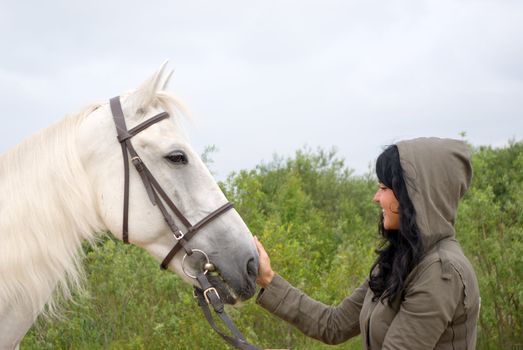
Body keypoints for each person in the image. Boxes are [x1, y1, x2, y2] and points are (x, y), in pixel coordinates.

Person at [254, 137, 480, 350]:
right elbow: (334, 324)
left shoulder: (441, 272)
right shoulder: (399, 261)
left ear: (414, 196)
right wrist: (268, 279)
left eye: (384, 189)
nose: (376, 198)